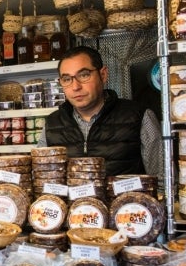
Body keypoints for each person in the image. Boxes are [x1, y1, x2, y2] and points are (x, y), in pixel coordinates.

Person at [36, 46, 163, 180]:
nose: (75, 87)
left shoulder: (139, 116)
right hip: (72, 202)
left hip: (128, 200)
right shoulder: (52, 124)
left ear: (103, 75)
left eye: (84, 75)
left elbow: (162, 180)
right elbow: (42, 178)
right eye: (67, 79)